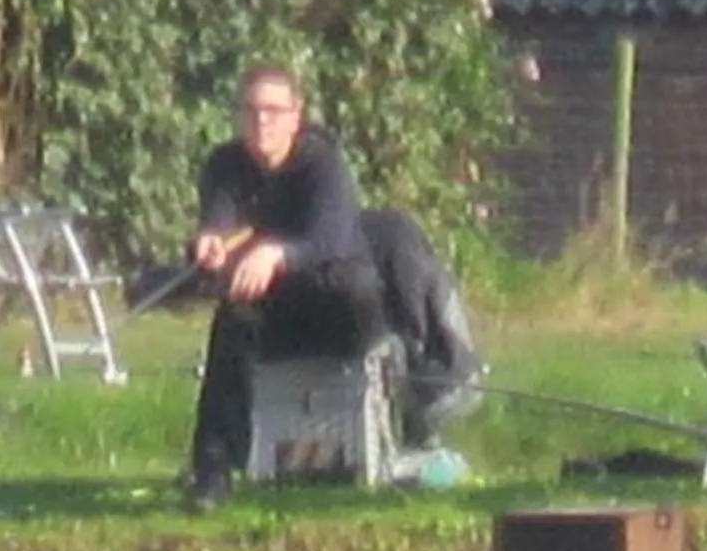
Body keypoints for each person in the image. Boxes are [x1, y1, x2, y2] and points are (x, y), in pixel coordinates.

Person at [177, 63, 480, 511]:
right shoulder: (224, 165)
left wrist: (276, 254)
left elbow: (330, 241)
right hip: (278, 315)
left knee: (349, 278)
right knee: (231, 317)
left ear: (296, 115)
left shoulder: (322, 164)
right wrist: (209, 244)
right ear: (240, 115)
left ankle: (406, 401)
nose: (263, 121)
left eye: (274, 111)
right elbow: (219, 223)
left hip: (344, 311)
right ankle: (213, 470)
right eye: (252, 110)